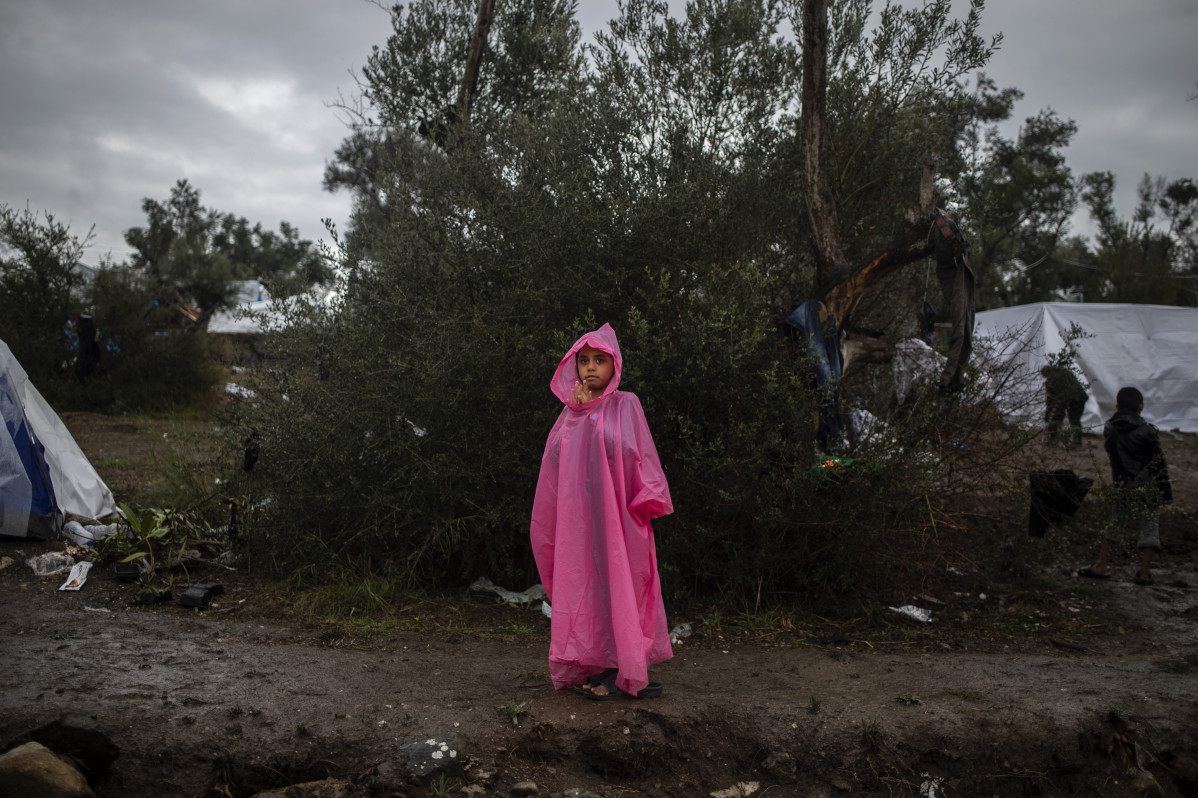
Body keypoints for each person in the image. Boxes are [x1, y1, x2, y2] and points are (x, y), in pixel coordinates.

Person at [530, 323, 674, 700]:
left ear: (615, 364)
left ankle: (621, 669)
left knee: (624, 587)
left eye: (599, 360)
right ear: (572, 366)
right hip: (581, 524)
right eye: (583, 361)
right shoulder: (567, 415)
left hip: (622, 518)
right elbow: (557, 467)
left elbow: (640, 453)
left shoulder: (627, 404)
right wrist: (578, 413)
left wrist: (649, 497)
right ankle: (594, 668)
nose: (590, 367)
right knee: (584, 588)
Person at [1077, 386, 1172, 585]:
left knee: (1114, 524)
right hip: (1148, 486)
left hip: (1122, 484)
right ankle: (1144, 574)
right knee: (1149, 529)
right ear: (1141, 407)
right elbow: (1159, 463)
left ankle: (1100, 566)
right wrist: (1165, 491)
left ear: (1117, 406)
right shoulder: (1148, 431)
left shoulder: (1110, 429)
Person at [1040, 364, 1088, 445]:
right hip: (1079, 397)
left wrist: (1048, 415)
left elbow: (1051, 401)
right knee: (1075, 420)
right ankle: (1076, 441)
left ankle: (1054, 439)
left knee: (1058, 417)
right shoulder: (1065, 372)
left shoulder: (1051, 381)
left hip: (1070, 398)